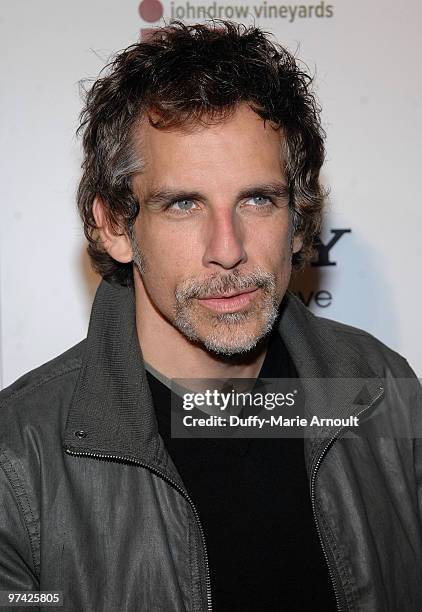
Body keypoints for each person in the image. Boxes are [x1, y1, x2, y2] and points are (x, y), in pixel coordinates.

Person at [0, 19, 421, 612]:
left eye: (258, 199)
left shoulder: (383, 390)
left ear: (299, 219)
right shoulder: (18, 458)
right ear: (115, 226)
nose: (228, 248)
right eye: (183, 204)